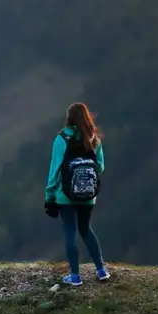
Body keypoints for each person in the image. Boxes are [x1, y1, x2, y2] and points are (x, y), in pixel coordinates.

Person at [44, 102, 110, 286]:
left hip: (65, 195)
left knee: (70, 231)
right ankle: (101, 270)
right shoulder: (93, 138)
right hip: (89, 196)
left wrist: (49, 197)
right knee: (86, 230)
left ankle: (75, 276)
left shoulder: (62, 139)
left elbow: (55, 170)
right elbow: (100, 167)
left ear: (69, 118)